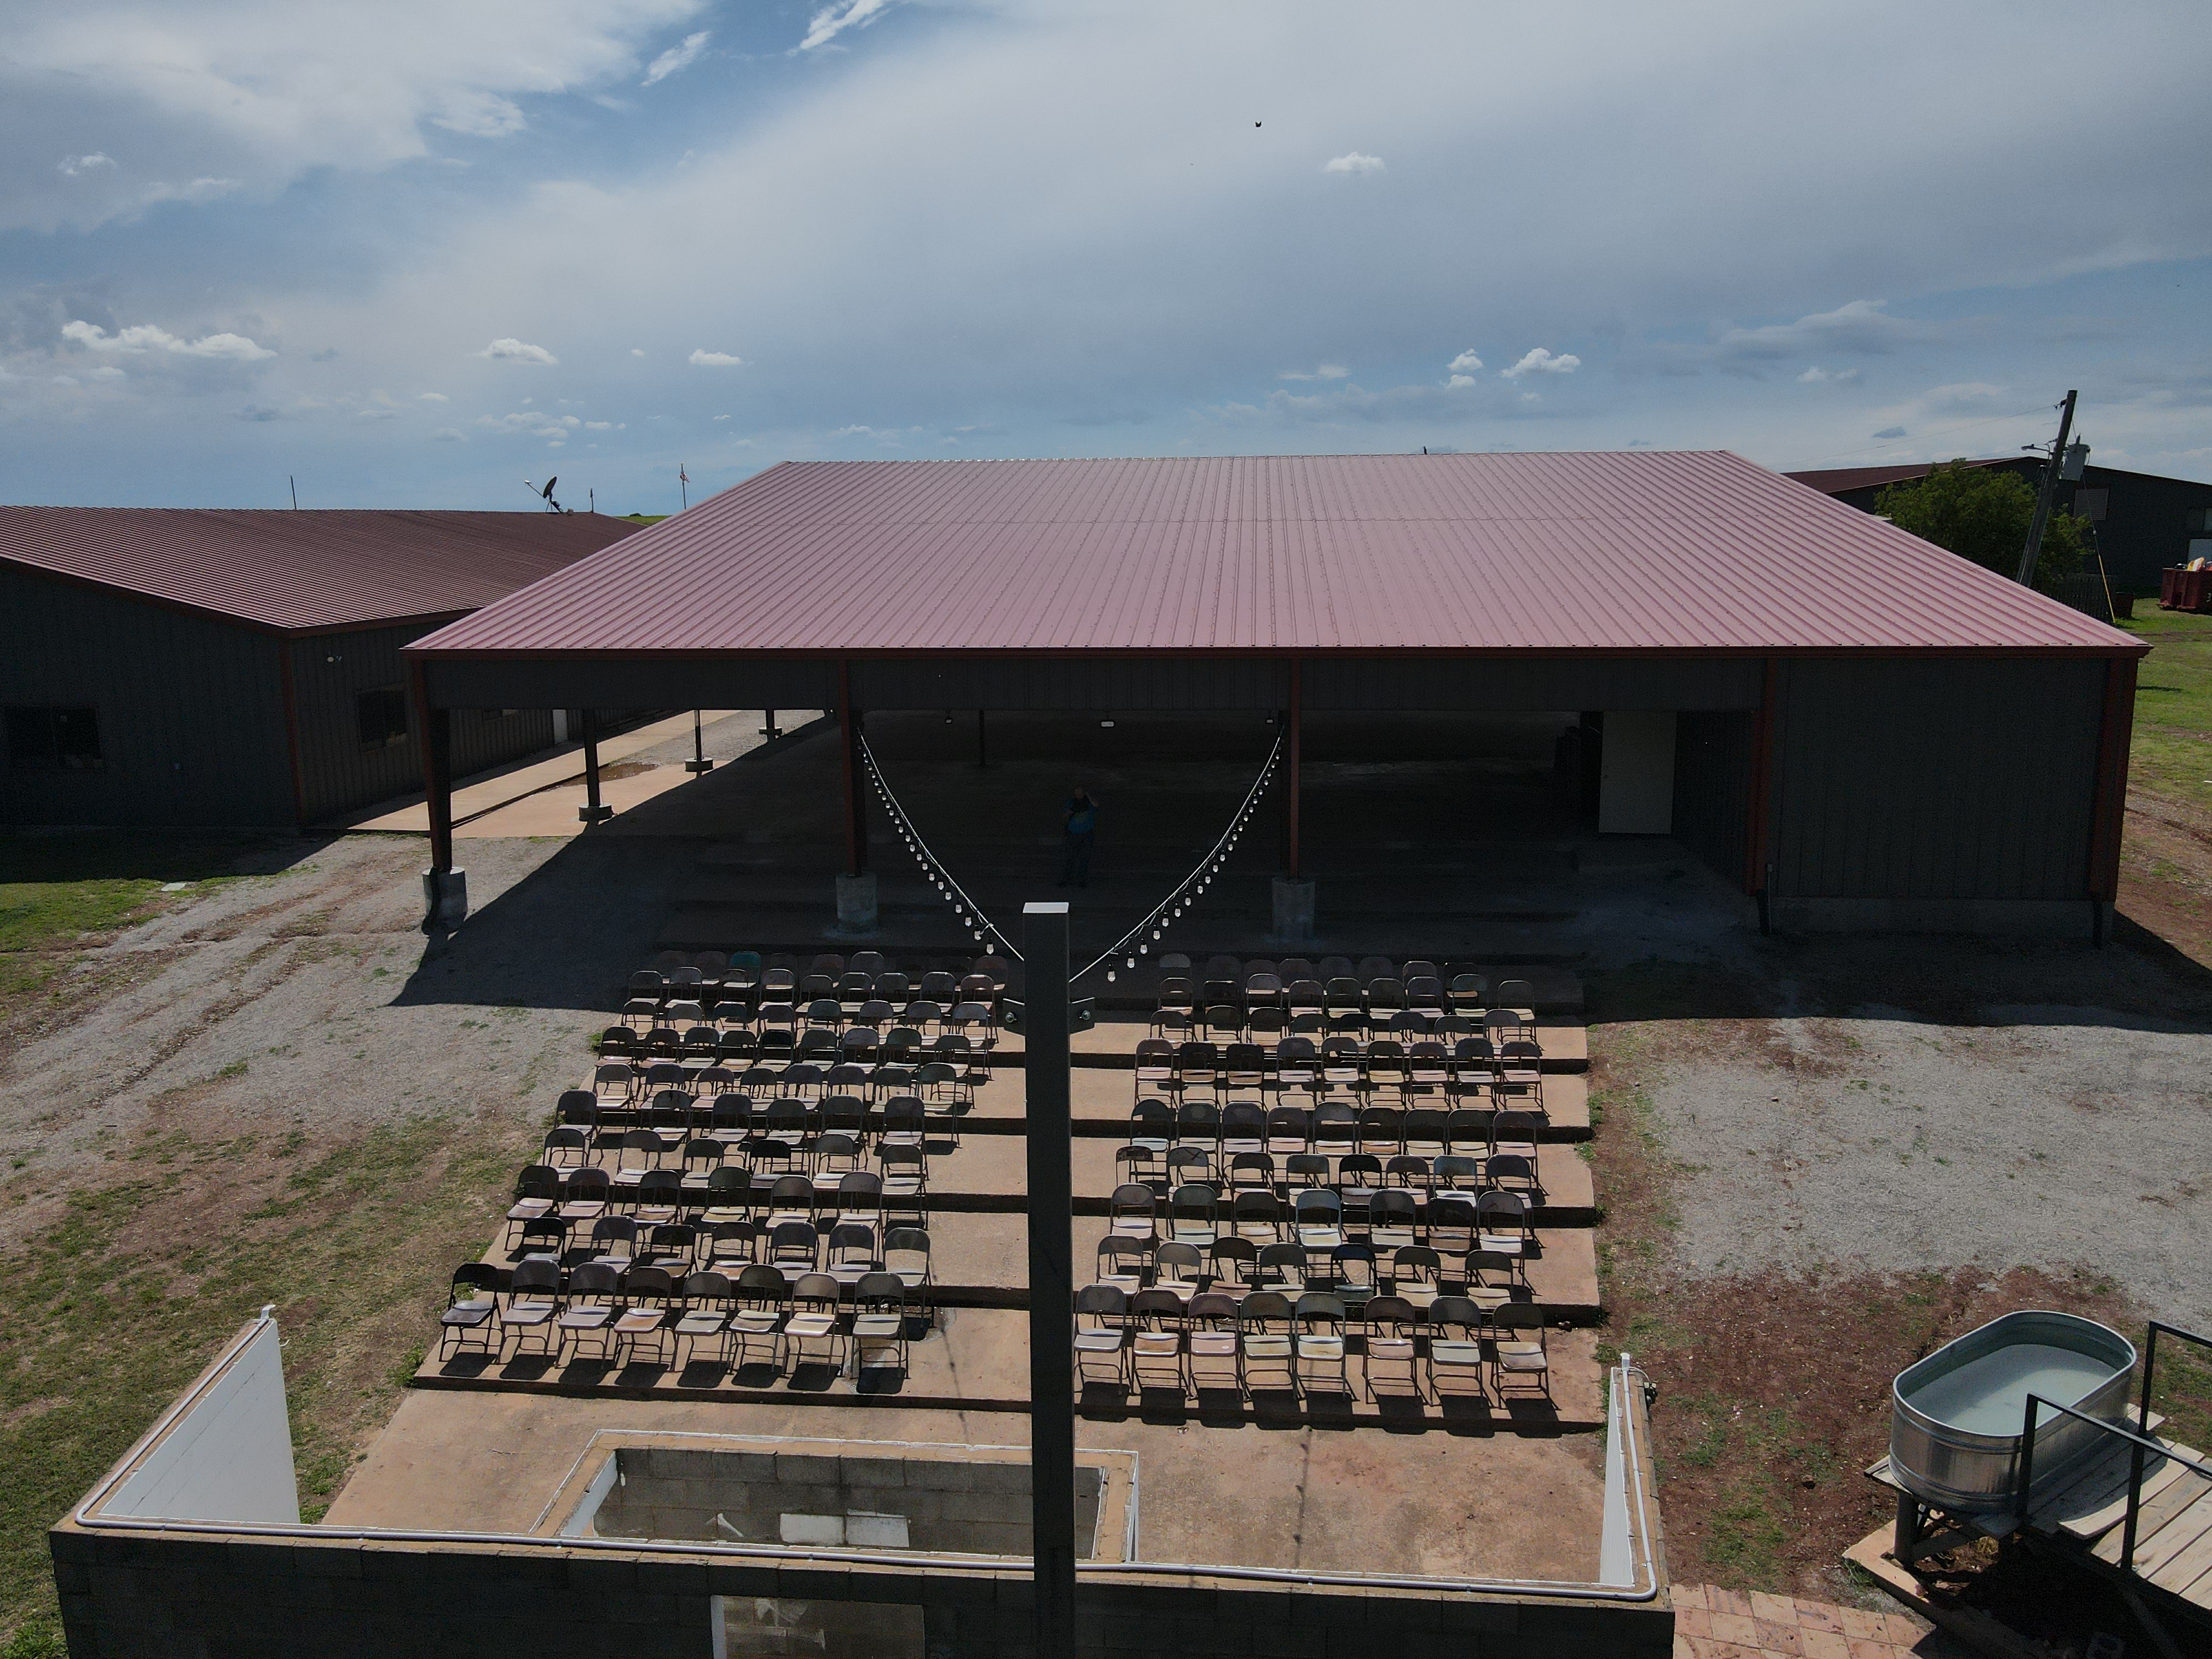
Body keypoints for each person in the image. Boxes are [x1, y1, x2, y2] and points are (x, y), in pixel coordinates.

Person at [1058, 787, 1098, 888]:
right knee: (1069, 858)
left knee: (1084, 858)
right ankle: (1067, 879)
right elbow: (1065, 815)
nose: (1079, 794)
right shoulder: (1071, 803)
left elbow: (1096, 805)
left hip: (1086, 833)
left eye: (1081, 791)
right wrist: (1073, 810)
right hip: (1073, 833)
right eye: (1077, 792)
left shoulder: (1089, 803)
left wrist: (1088, 796)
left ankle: (1082, 880)